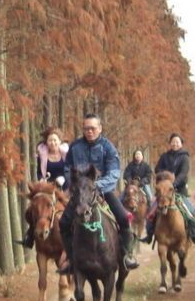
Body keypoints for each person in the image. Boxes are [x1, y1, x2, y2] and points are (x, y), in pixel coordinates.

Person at [58, 114, 139, 273]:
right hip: (80, 194)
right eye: (86, 128)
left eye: (93, 128)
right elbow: (67, 169)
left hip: (103, 192)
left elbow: (114, 173)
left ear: (100, 128)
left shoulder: (108, 148)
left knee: (123, 218)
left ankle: (126, 255)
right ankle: (70, 258)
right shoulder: (75, 147)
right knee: (63, 223)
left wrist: (95, 186)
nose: (89, 131)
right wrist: (75, 185)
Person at [139, 133, 195, 244]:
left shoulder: (185, 157)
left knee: (190, 210)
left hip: (179, 190)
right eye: (173, 142)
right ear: (170, 143)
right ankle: (149, 235)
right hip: (164, 192)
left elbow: (183, 173)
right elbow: (157, 169)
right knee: (151, 212)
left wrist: (174, 184)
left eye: (177, 142)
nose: (175, 144)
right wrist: (164, 179)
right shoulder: (164, 156)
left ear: (181, 144)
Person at [18, 127, 69, 249]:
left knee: (74, 208)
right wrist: (42, 180)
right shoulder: (42, 156)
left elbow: (70, 171)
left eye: (55, 140)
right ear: (46, 142)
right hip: (47, 189)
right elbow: (39, 172)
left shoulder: (66, 155)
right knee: (30, 211)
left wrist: (63, 179)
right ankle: (30, 236)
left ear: (59, 142)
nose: (53, 143)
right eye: (50, 140)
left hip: (64, 187)